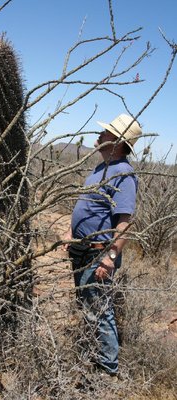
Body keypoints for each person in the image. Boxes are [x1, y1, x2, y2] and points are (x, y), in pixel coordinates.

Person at [63, 113, 142, 377]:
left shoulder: (124, 175)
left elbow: (124, 221)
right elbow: (87, 205)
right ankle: (93, 352)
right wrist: (70, 229)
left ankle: (107, 369)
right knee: (87, 306)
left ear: (118, 141)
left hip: (99, 254)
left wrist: (110, 257)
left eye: (106, 133)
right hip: (81, 250)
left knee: (99, 310)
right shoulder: (101, 168)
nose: (99, 136)